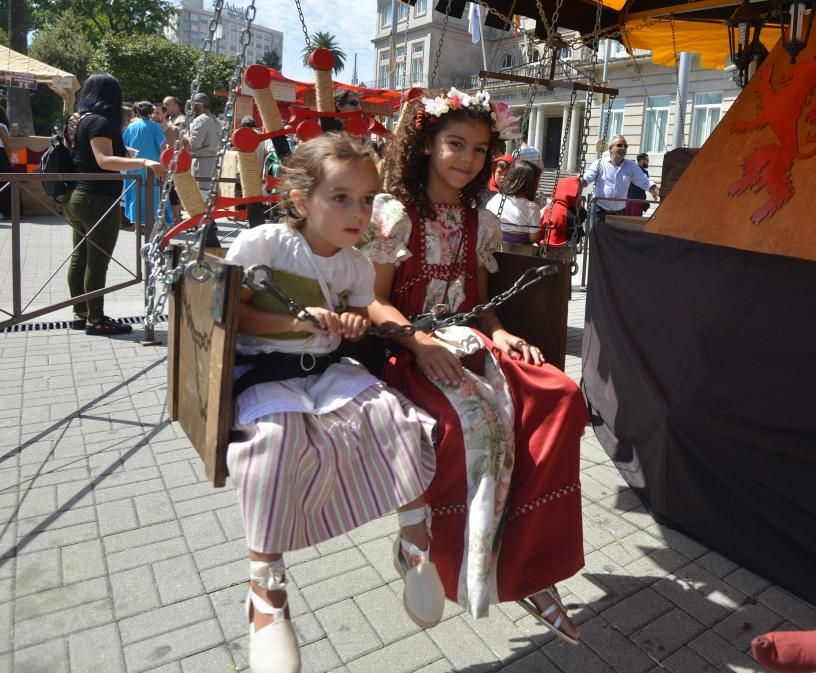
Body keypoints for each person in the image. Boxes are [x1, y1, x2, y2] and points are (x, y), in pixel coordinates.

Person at [362, 88, 588, 644]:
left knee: (559, 395)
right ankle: (431, 553)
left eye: (480, 149)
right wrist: (421, 343)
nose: (467, 158)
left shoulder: (479, 221)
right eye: (455, 144)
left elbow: (479, 298)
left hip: (467, 343)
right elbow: (374, 302)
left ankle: (531, 568)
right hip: (409, 350)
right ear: (426, 145)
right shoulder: (393, 213)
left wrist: (504, 333)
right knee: (468, 427)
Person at [223, 133, 438, 673]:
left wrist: (361, 326)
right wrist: (299, 320)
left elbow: (367, 317)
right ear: (301, 201)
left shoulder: (356, 267)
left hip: (324, 371)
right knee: (273, 444)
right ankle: (266, 593)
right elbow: (232, 316)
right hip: (265, 369)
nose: (357, 212)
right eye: (340, 197)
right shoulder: (266, 246)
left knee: (394, 418)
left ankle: (415, 546)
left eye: (367, 200)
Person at [66, 73, 167, 336]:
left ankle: (81, 313)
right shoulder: (100, 122)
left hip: (77, 196)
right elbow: (103, 160)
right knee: (96, 262)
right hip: (97, 198)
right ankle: (96, 320)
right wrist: (143, 162)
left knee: (80, 257)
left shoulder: (77, 120)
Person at [582, 134, 659, 228]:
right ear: (611, 148)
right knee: (597, 240)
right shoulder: (599, 163)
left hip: (619, 212)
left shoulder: (631, 165)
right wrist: (578, 185)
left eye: (625, 146)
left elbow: (644, 181)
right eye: (619, 145)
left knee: (614, 242)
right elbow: (587, 178)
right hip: (599, 211)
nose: (623, 148)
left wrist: (656, 191)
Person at [122, 101, 171, 227]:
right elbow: (163, 147)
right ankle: (154, 224)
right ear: (151, 112)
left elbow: (124, 146)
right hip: (153, 166)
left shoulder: (130, 127)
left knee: (136, 194)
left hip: (134, 166)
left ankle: (137, 225)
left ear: (137, 111)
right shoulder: (155, 127)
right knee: (154, 194)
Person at [187, 92, 221, 246]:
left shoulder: (201, 121)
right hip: (211, 161)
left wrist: (181, 135)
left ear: (199, 105)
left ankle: (204, 224)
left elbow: (194, 143)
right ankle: (209, 222)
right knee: (208, 194)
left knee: (201, 195)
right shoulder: (215, 120)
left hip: (202, 163)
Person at [484, 159, 543, 245]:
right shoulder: (532, 207)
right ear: (529, 184)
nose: (539, 185)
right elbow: (533, 239)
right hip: (518, 253)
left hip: (493, 246)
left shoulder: (496, 199)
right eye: (537, 181)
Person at [536, 176, 585, 247]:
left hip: (546, 245)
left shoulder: (549, 209)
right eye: (579, 194)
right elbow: (577, 236)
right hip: (563, 246)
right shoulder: (573, 214)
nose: (580, 197)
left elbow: (541, 231)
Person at [162, 96, 188, 221]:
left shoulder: (180, 120)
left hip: (176, 159)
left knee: (174, 189)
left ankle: (177, 217)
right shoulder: (172, 119)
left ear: (176, 105)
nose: (164, 107)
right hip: (170, 158)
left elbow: (183, 140)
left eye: (167, 104)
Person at [625, 152, 651, 217]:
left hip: (628, 198)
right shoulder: (644, 172)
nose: (648, 162)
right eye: (647, 160)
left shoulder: (631, 169)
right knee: (635, 219)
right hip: (637, 200)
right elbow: (645, 185)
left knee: (627, 219)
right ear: (642, 160)